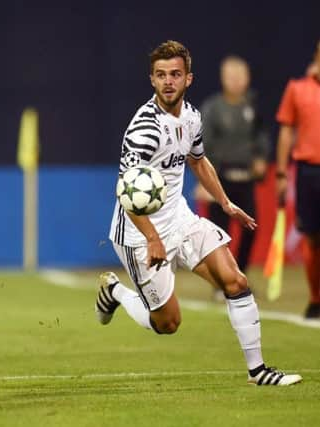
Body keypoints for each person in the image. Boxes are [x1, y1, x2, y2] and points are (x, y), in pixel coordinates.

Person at [96, 40, 301, 386]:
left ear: (189, 78)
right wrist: (152, 238)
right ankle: (116, 292)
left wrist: (224, 201)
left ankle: (258, 370)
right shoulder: (143, 130)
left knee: (235, 280)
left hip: (179, 217)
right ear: (152, 80)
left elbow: (197, 159)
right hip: (138, 235)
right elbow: (126, 192)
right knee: (167, 323)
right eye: (161, 75)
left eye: (175, 74)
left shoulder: (192, 117)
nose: (168, 81)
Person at [198, 56, 269, 301]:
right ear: (223, 79)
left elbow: (261, 135)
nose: (237, 82)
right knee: (220, 234)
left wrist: (261, 157)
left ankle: (239, 277)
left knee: (251, 226)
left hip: (245, 177)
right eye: (232, 77)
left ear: (248, 78)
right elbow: (203, 145)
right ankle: (221, 284)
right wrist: (205, 181)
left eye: (241, 76)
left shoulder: (252, 106)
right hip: (220, 179)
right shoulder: (213, 108)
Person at [275, 40, 320, 319]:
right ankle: (316, 299)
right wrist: (281, 173)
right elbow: (286, 132)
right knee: (313, 238)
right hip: (308, 172)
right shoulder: (297, 88)